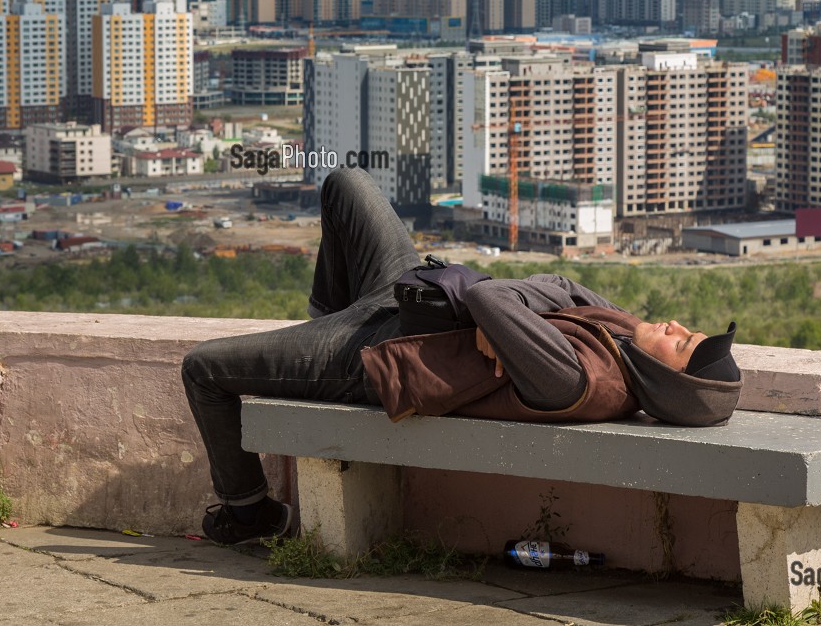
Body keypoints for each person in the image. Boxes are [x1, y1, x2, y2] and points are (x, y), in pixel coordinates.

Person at [181, 167, 742, 545]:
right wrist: (498, 319)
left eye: (682, 343)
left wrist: (500, 313)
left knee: (203, 369)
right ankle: (318, 325)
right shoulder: (623, 338)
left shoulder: (578, 378)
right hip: (412, 301)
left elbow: (490, 294)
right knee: (345, 183)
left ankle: (250, 510)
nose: (677, 326)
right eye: (687, 330)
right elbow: (563, 282)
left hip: (376, 355)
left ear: (668, 381)